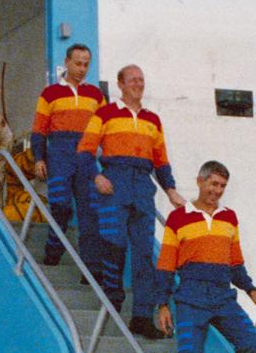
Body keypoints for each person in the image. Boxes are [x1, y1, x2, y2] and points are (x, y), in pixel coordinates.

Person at [154, 160, 256, 353]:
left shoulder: (229, 218)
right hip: (191, 298)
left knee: (250, 346)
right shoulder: (178, 217)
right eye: (213, 184)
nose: (217, 191)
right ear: (200, 181)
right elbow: (167, 263)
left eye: (222, 186)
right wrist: (162, 304)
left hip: (222, 297)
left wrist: (253, 292)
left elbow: (236, 264)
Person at [75, 63, 184, 337]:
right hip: (115, 183)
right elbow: (85, 151)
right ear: (120, 84)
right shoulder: (104, 113)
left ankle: (142, 317)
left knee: (145, 254)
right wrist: (96, 177)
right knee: (113, 245)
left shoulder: (153, 120)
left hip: (142, 187)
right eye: (132, 79)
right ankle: (112, 300)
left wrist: (170, 190)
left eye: (141, 80)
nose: (138, 83)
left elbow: (161, 161)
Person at [31, 43, 106, 273]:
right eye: (78, 63)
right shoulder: (49, 94)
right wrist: (39, 158)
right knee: (60, 206)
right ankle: (52, 254)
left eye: (86, 64)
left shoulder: (95, 95)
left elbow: (106, 129)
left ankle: (90, 270)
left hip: (86, 159)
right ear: (66, 62)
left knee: (90, 213)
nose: (82, 68)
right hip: (59, 157)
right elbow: (39, 130)